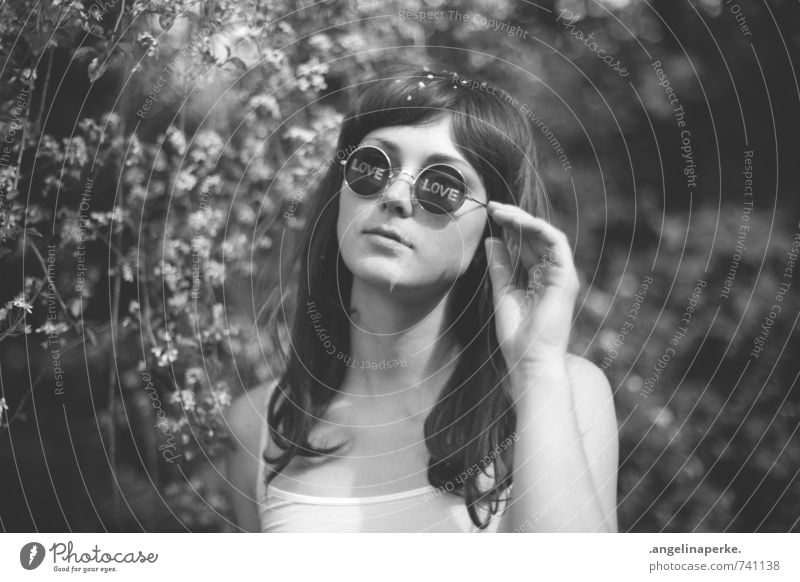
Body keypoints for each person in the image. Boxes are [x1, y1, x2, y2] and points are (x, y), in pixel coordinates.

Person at [224, 64, 619, 532]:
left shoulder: (560, 393)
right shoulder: (259, 427)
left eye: (441, 186)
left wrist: (535, 372)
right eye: (372, 167)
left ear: (493, 230)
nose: (394, 194)